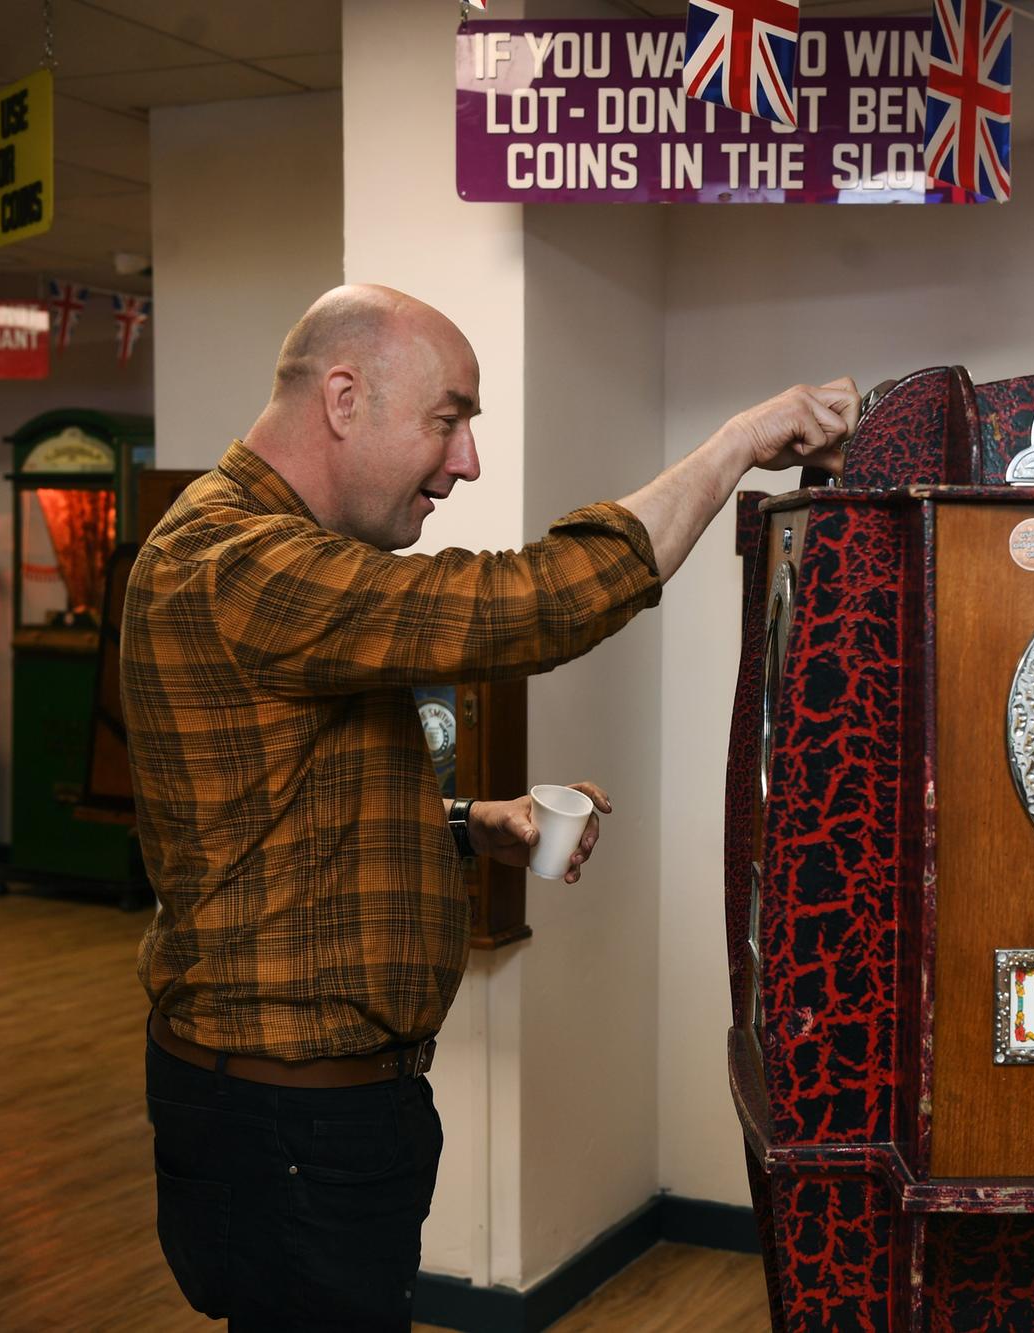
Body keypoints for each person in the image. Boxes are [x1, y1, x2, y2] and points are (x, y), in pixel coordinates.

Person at [121, 283, 856, 1331]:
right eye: (448, 417)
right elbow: (532, 603)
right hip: (288, 1116)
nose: (465, 460)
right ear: (341, 397)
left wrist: (467, 823)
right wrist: (736, 444)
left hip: (312, 1108)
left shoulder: (267, 557)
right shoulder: (238, 562)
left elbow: (273, 811)